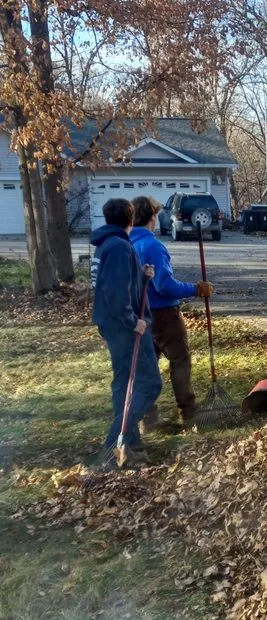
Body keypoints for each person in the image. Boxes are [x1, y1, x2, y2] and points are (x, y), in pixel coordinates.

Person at [129, 195, 213, 426]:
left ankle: (148, 419)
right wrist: (196, 289)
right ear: (152, 217)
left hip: (139, 316)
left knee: (147, 367)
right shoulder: (152, 246)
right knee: (180, 361)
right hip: (163, 316)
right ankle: (188, 413)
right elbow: (164, 285)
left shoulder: (127, 245)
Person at [91, 198, 162, 462]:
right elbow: (115, 292)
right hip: (124, 327)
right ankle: (115, 441)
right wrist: (133, 321)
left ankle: (129, 441)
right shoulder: (119, 247)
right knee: (150, 384)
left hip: (112, 323)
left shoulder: (107, 245)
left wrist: (141, 274)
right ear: (131, 219)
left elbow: (116, 281)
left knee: (123, 382)